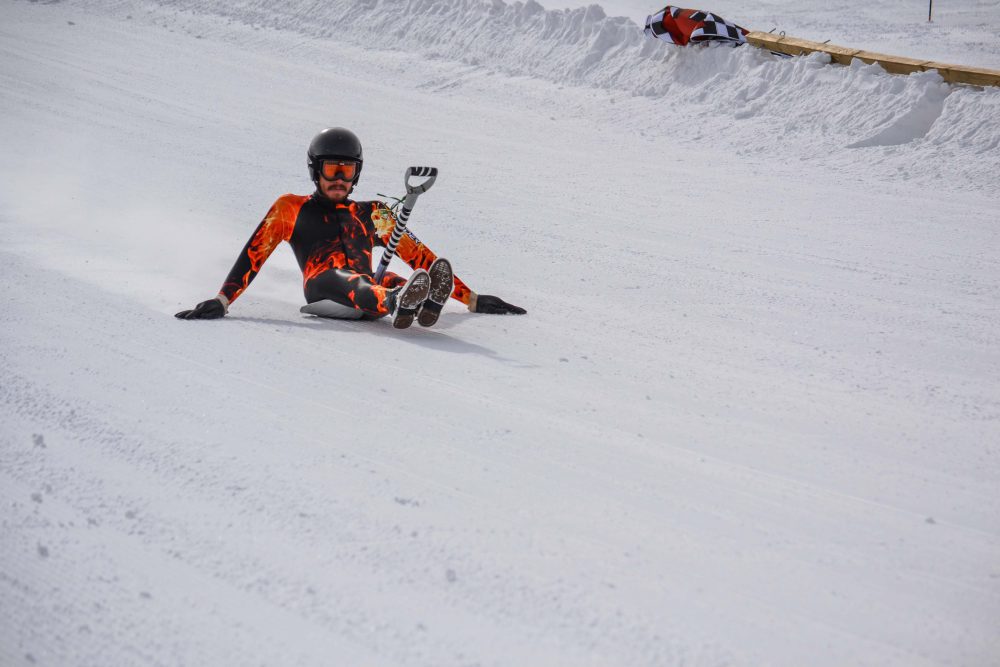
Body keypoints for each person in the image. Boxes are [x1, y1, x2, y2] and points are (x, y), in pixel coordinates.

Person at [176, 127, 525, 329]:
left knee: (397, 277)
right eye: (332, 170)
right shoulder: (291, 208)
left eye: (347, 170)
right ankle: (399, 302)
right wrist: (223, 300)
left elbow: (418, 254)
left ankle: (422, 300)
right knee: (355, 279)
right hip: (324, 286)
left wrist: (472, 299)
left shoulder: (372, 212)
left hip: (368, 286)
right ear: (316, 170)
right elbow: (253, 255)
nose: (340, 179)